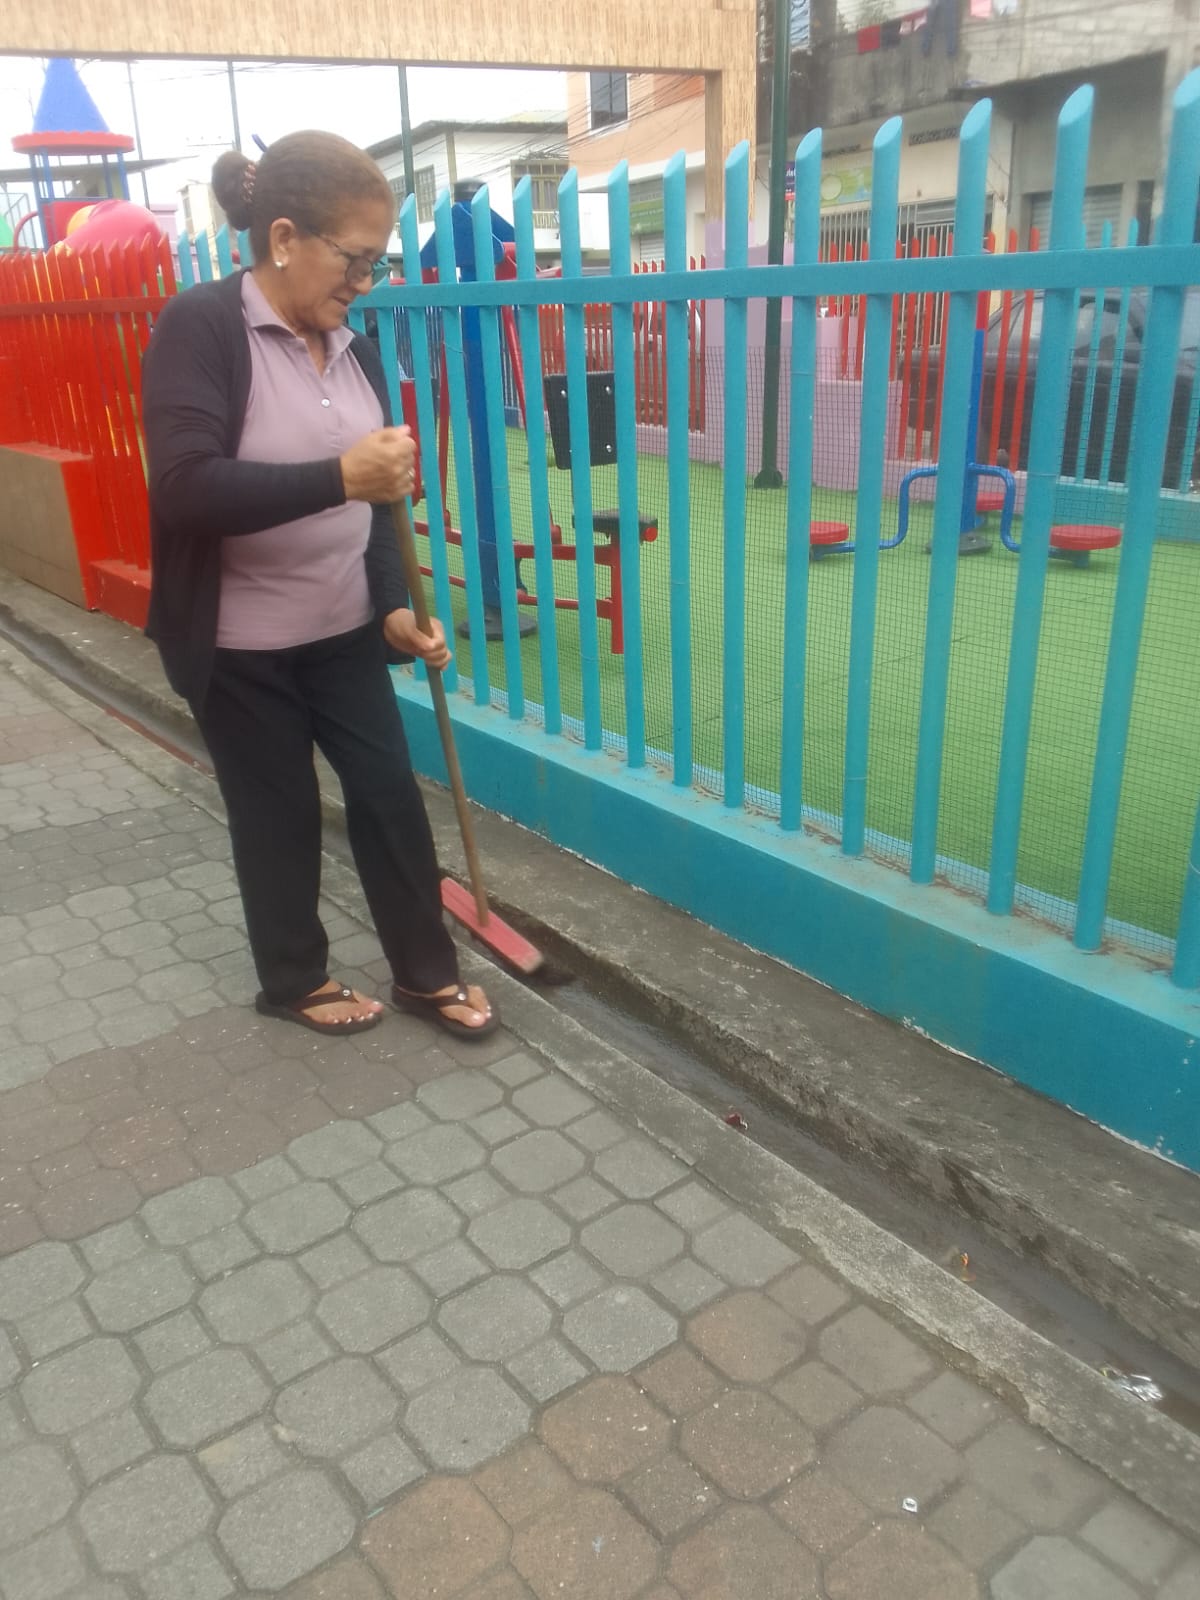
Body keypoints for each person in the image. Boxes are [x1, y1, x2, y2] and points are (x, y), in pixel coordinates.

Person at [141, 130, 496, 1041]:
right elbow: (184, 489)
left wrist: (394, 607)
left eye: (378, 264)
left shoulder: (357, 351)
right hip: (240, 646)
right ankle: (294, 978)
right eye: (355, 259)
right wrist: (341, 475)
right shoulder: (202, 327)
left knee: (388, 798)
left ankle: (425, 973)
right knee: (279, 816)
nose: (365, 283)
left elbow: (378, 510)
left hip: (344, 631)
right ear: (285, 237)